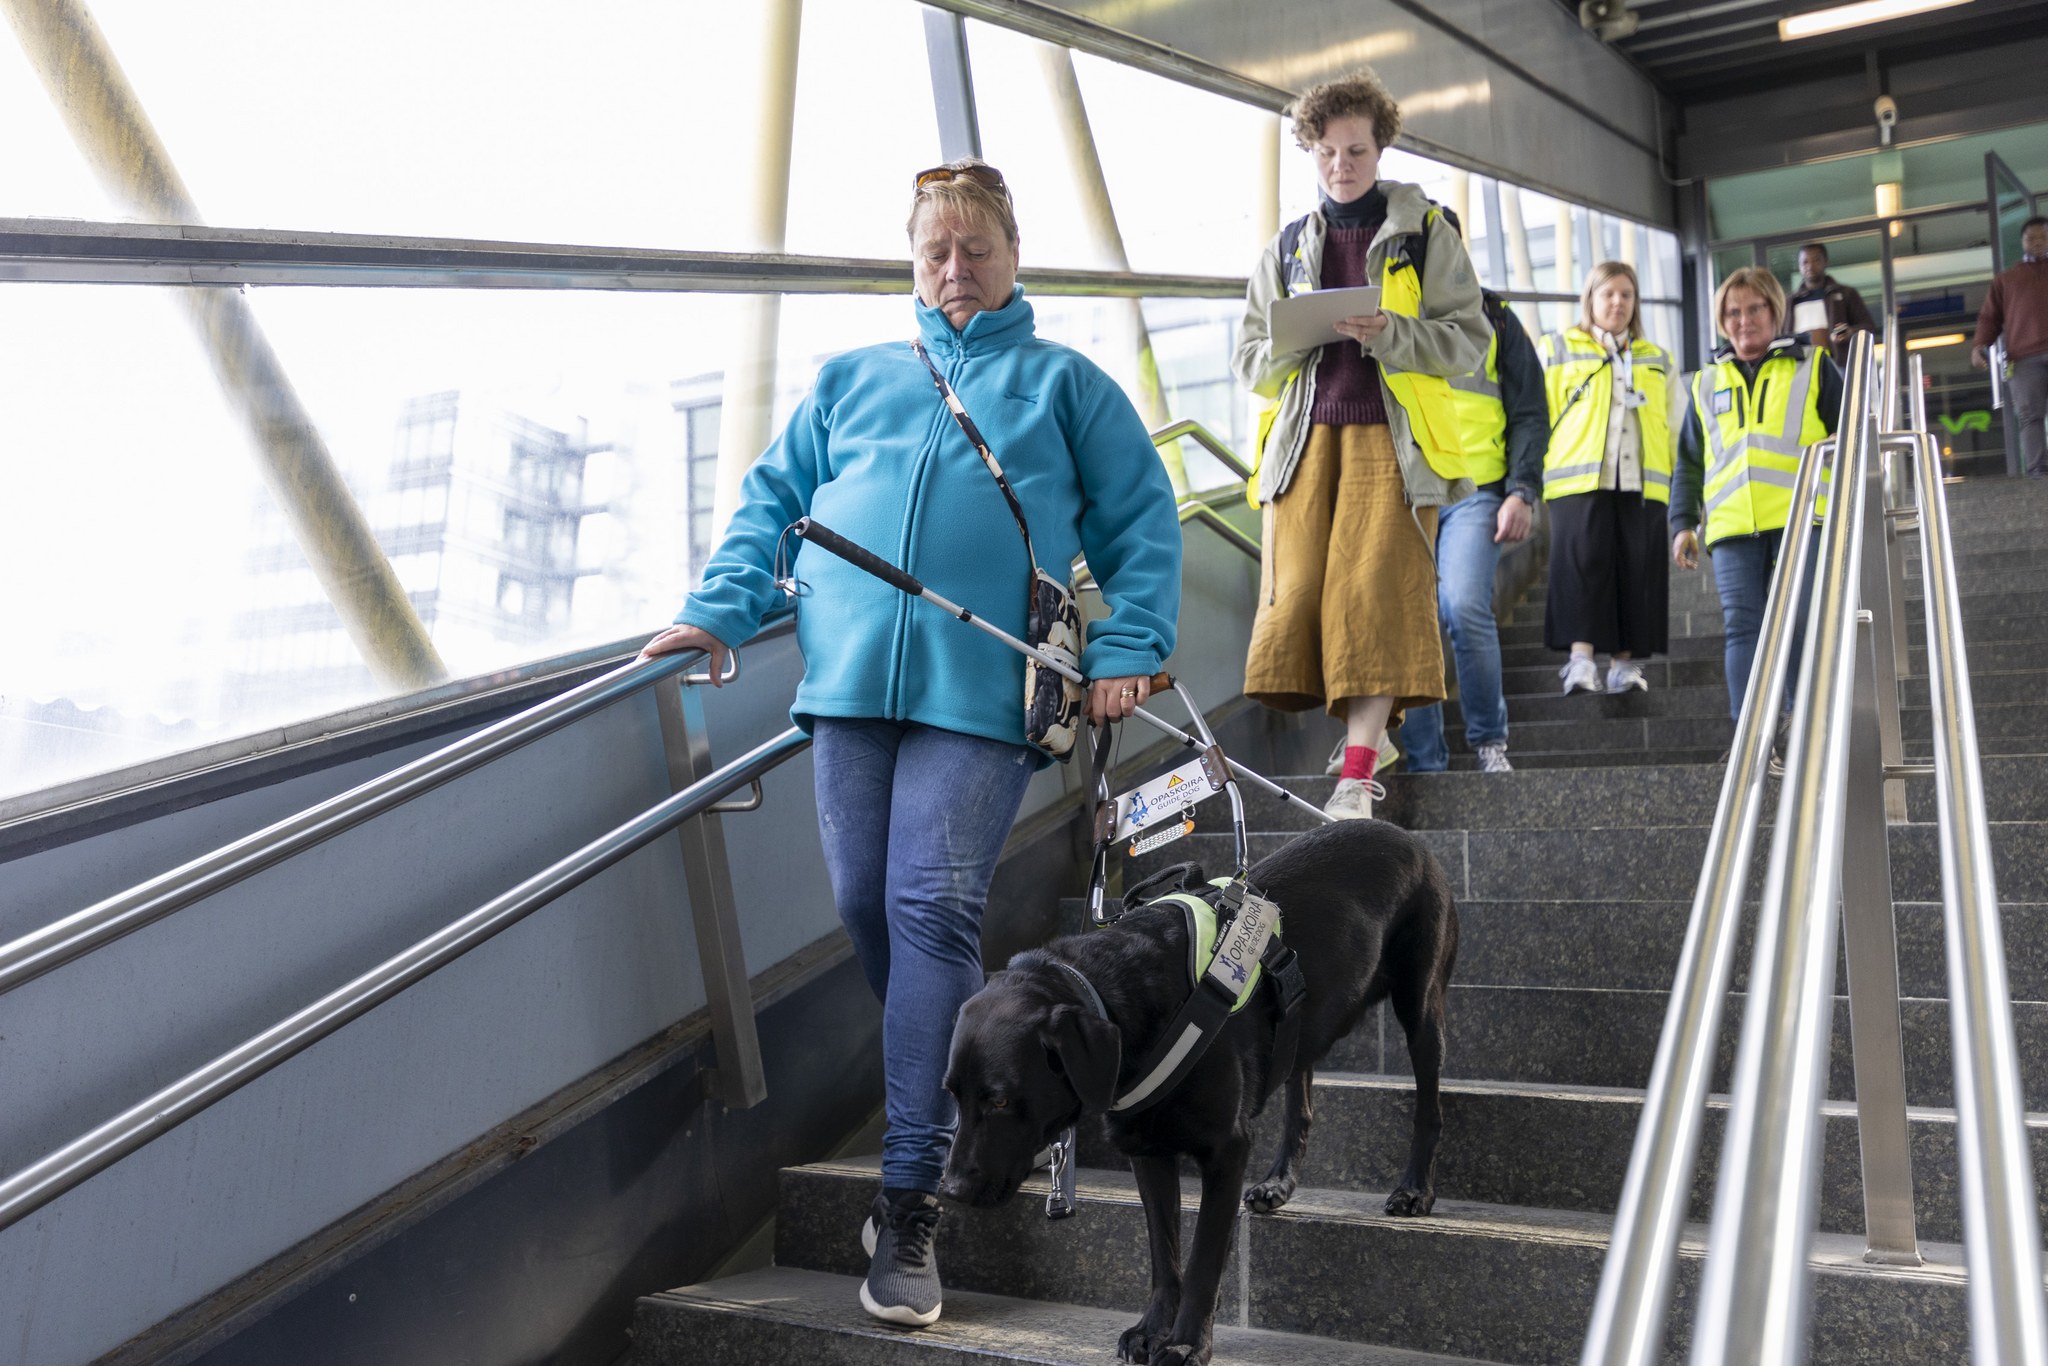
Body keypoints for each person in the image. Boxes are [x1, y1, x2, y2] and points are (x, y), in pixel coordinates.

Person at [638, 158, 1181, 1330]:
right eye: (933, 249)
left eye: (973, 247)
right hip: (844, 686)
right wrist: (722, 607)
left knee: (929, 907)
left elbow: (1142, 516)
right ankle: (985, 1057)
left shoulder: (1063, 384)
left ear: (1012, 254)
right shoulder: (855, 378)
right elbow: (772, 498)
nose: (952, 268)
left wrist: (1130, 642)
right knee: (865, 907)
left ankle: (909, 1196)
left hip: (979, 691)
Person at [1232, 67, 1488, 821]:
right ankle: (1364, 747)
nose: (1340, 167)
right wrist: (1297, 341)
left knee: (1376, 600)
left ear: (1381, 151)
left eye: (1355, 151)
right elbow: (1249, 359)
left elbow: (1469, 339)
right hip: (1306, 443)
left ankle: (1356, 772)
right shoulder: (1285, 248)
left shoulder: (1428, 231)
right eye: (1327, 154)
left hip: (1394, 442)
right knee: (1304, 602)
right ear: (1311, 153)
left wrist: (1394, 335)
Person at [1669, 265, 1842, 753]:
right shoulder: (1705, 382)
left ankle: (1802, 723)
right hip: (1730, 528)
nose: (1743, 320)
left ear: (1774, 310)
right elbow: (1688, 460)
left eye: (1754, 309)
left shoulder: (1812, 366)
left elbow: (1852, 425)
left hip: (1801, 517)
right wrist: (1683, 523)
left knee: (1801, 619)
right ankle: (1751, 737)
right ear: (1722, 321)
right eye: (1733, 312)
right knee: (1743, 626)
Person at [1398, 287, 1546, 774]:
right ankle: (1424, 762)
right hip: (1406, 493)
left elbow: (1529, 408)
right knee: (1411, 622)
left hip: (1477, 489)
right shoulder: (1390, 314)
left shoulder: (1497, 319)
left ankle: (1489, 742)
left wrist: (1521, 490)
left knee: (1461, 604)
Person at [1537, 262, 1678, 697]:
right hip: (1577, 479)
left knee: (1635, 569)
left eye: (1626, 295)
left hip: (1642, 480)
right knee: (1582, 567)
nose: (1617, 303)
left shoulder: (1656, 357)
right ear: (1590, 299)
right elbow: (1537, 413)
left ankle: (1623, 667)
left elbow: (1675, 424)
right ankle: (1580, 663)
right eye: (1608, 294)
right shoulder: (1557, 348)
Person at [1972, 215, 2048, 477]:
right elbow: (1989, 318)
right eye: (2031, 238)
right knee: (2030, 417)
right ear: (2022, 243)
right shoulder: (2007, 280)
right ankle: (2038, 471)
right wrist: (1980, 345)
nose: (2037, 242)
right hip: (2024, 358)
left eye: (2043, 236)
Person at [1789, 242, 1876, 369]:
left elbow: (1868, 327)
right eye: (1805, 262)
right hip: (1799, 367)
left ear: (1826, 262)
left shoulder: (1846, 294)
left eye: (1816, 260)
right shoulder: (1790, 302)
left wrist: (1850, 332)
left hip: (1837, 366)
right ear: (1799, 266)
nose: (1810, 266)